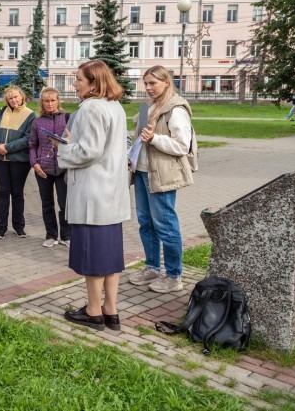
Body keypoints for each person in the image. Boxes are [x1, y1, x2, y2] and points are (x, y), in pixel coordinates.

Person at [57, 60, 131, 332]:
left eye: (78, 79)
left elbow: (89, 151)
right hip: (111, 193)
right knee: (110, 257)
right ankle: (110, 310)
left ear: (93, 83)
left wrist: (62, 148)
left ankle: (93, 310)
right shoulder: (115, 106)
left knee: (93, 259)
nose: (74, 84)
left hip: (93, 194)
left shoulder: (90, 107)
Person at [128, 65, 194, 294]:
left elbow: (182, 146)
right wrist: (130, 155)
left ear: (166, 82)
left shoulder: (176, 109)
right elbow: (138, 139)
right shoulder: (147, 107)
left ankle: (174, 276)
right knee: (146, 223)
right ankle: (152, 267)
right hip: (142, 172)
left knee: (165, 225)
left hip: (163, 175)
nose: (147, 88)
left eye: (152, 83)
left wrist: (155, 138)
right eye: (145, 83)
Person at [0, 85, 36, 239]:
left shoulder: (30, 115)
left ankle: (19, 226)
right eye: (10, 98)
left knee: (17, 193)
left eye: (16, 97)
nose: (13, 100)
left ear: (22, 97)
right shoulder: (1, 112)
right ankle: (1, 227)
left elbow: (27, 139)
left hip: (19, 161)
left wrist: (6, 148)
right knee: (2, 192)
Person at [28, 87, 71, 248]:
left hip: (63, 168)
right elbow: (32, 145)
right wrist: (35, 163)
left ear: (58, 101)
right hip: (43, 169)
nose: (50, 104)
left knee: (64, 203)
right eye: (46, 101)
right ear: (42, 102)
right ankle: (51, 235)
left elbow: (75, 141)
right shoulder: (37, 122)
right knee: (47, 203)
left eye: (53, 100)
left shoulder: (67, 118)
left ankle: (66, 235)